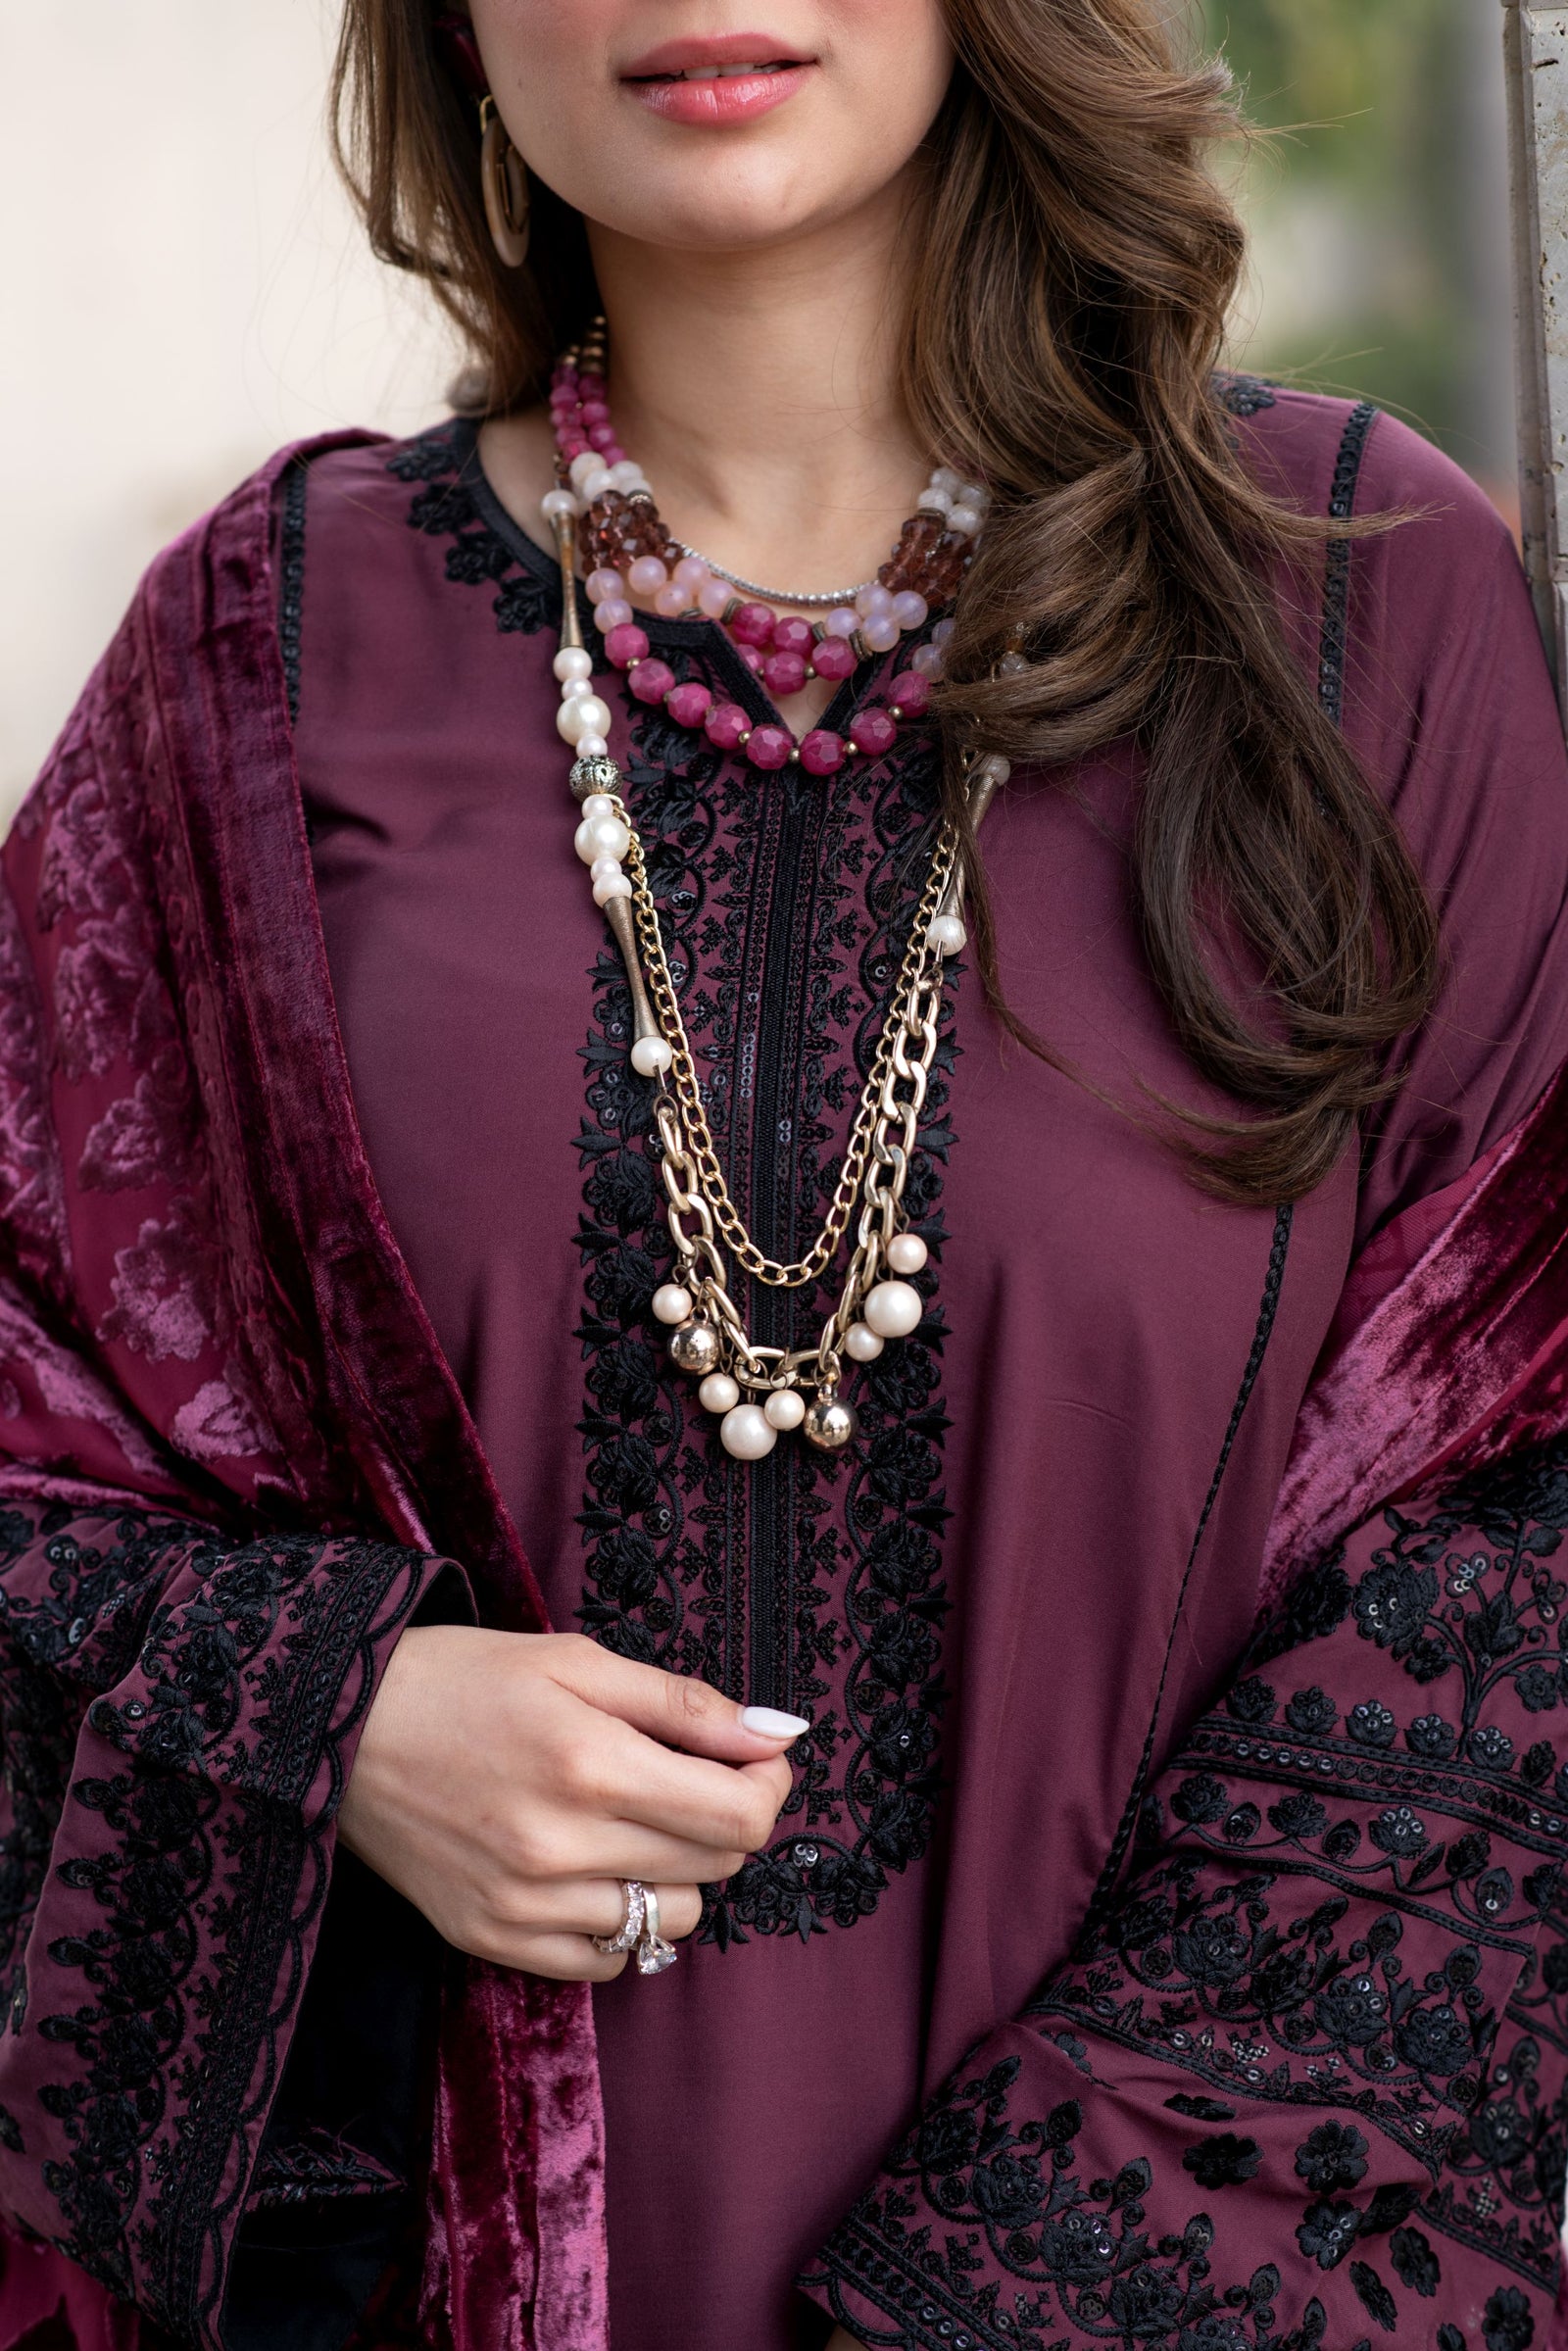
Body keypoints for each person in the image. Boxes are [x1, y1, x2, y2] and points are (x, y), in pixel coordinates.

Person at [3, 2, 1568, 2348]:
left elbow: (1518, 1515)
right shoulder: (258, 659)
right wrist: (323, 1715)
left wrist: (1034, 2294)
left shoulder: (1355, 594)